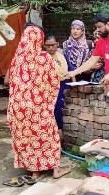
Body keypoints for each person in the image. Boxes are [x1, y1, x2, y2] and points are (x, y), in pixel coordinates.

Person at [7, 26, 71, 179]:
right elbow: (54, 80)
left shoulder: (17, 58)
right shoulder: (44, 58)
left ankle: (35, 170)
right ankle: (56, 170)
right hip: (38, 106)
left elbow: (8, 81)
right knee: (48, 135)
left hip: (19, 107)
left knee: (27, 137)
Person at [67, 13, 109, 86]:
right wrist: (74, 72)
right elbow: (92, 60)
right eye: (96, 27)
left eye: (99, 27)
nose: (98, 30)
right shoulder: (102, 40)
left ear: (108, 24)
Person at [44, 33, 74, 138]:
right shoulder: (43, 57)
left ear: (57, 44)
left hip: (65, 82)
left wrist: (74, 84)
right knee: (56, 105)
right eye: (48, 45)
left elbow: (70, 69)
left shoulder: (62, 54)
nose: (51, 48)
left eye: (53, 45)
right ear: (44, 46)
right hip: (51, 85)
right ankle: (59, 129)